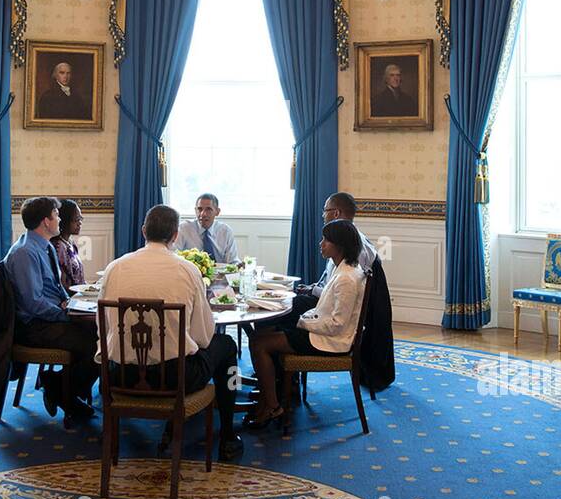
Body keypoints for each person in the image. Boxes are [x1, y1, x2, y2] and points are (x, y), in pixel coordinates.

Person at [99, 204, 244, 461]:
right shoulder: (187, 270)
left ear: (144, 231)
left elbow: (106, 328)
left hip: (118, 375)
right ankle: (229, 433)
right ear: (175, 235)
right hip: (176, 377)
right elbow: (202, 336)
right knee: (228, 346)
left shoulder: (114, 268)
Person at [244, 220, 367, 428]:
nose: (321, 244)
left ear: (340, 245)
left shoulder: (346, 278)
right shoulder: (344, 269)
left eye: (326, 240)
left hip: (331, 342)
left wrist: (304, 322)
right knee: (269, 331)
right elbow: (325, 311)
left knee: (259, 343)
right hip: (324, 334)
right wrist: (307, 319)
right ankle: (271, 395)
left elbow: (337, 324)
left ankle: (273, 406)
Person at [4, 196, 97, 422]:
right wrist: (66, 314)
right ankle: (58, 387)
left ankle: (64, 388)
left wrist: (70, 303)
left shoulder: (44, 246)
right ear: (46, 221)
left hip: (46, 319)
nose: (59, 219)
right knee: (95, 344)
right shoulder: (25, 253)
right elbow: (33, 303)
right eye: (56, 215)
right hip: (33, 327)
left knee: (101, 334)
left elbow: (55, 287)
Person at [173, 193, 239, 263]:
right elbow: (173, 255)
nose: (203, 214)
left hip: (221, 272)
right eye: (199, 209)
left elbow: (232, 261)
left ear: (217, 211)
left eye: (208, 209)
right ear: (195, 210)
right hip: (192, 272)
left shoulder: (225, 231)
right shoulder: (184, 228)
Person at [52, 199, 86, 290]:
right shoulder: (58, 247)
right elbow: (62, 285)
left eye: (80, 219)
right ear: (64, 221)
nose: (80, 223)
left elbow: (78, 278)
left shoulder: (70, 243)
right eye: (76, 220)